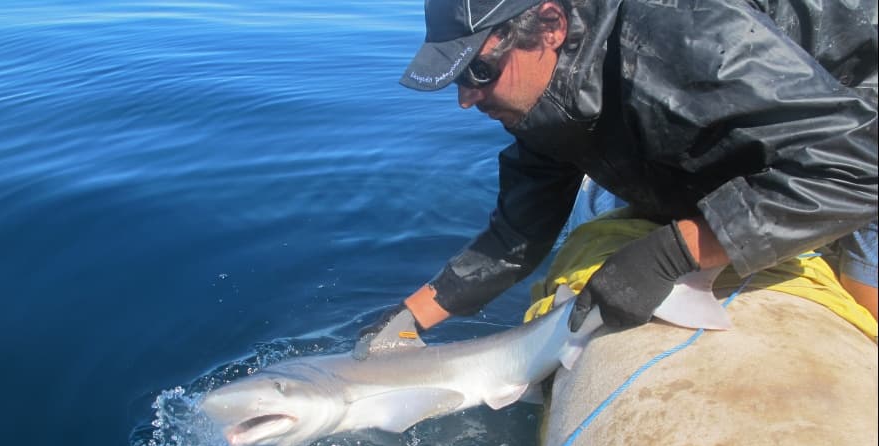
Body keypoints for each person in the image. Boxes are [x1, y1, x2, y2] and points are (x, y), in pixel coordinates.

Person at [355, 0, 877, 358]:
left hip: (858, 113)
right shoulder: (539, 99)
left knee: (865, 294)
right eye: (457, 78)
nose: (467, 99)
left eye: (479, 71)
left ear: (550, 25)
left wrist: (672, 254)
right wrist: (407, 320)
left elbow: (859, 168)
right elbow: (519, 231)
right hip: (775, 124)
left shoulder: (691, 41)